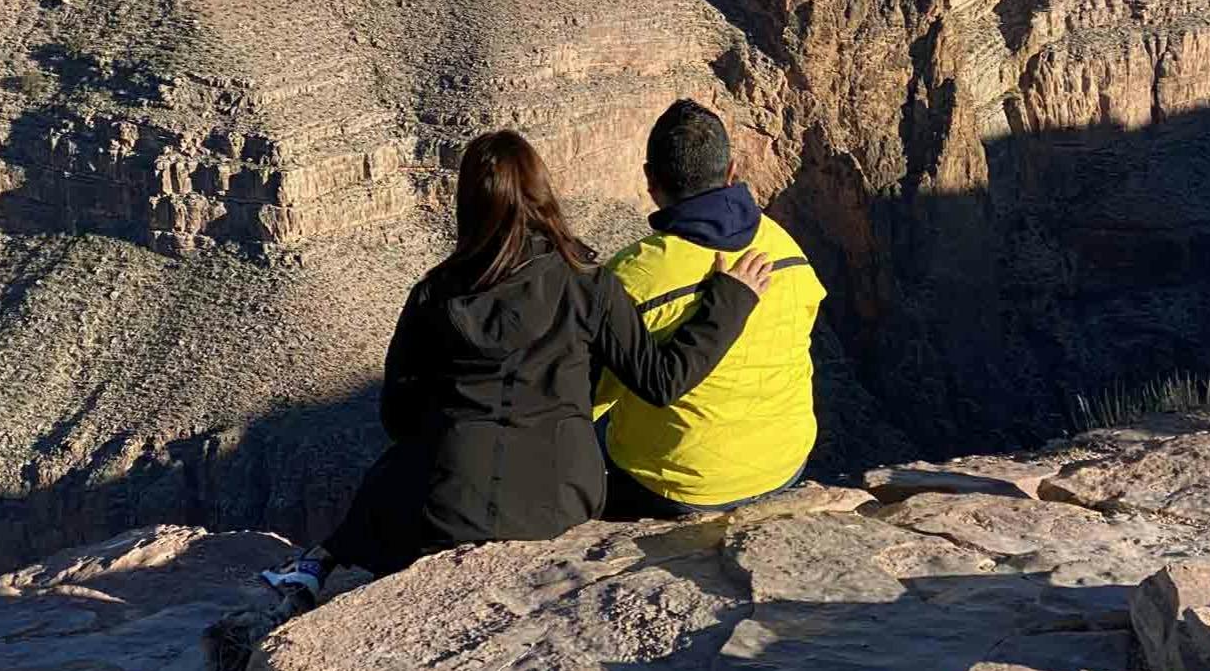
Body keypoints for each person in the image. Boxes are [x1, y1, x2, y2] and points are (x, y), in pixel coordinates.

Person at [261, 129, 775, 607]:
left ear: (468, 205)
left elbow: (398, 417)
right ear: (544, 192)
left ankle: (321, 561)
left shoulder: (435, 294)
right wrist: (728, 302)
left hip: (450, 509)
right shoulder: (587, 282)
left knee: (395, 467)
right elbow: (662, 382)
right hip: (563, 500)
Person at [595, 99, 827, 519]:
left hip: (678, 485)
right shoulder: (784, 249)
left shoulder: (632, 277)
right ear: (732, 170)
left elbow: (590, 394)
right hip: (784, 463)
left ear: (650, 180)